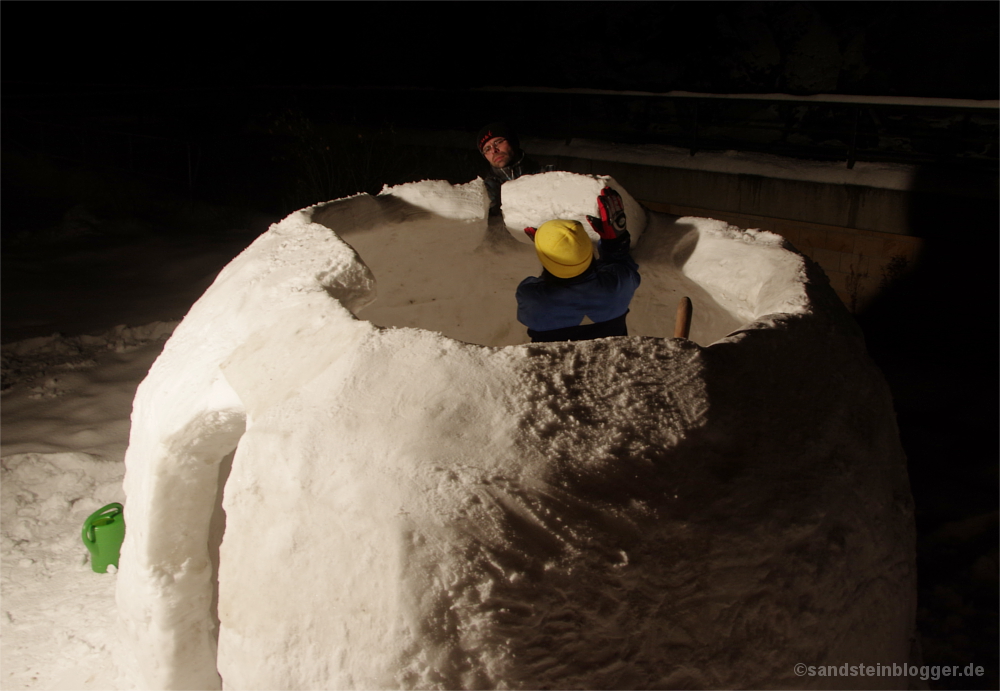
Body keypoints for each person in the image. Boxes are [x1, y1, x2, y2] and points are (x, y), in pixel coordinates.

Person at [516, 187, 641, 342]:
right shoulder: (617, 286)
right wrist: (615, 240)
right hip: (612, 364)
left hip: (553, 366)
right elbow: (621, 264)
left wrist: (552, 249)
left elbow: (542, 285)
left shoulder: (532, 298)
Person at [476, 122, 550, 215]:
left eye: (498, 142)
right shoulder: (486, 190)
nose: (494, 150)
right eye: (487, 149)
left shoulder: (547, 174)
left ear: (513, 142)